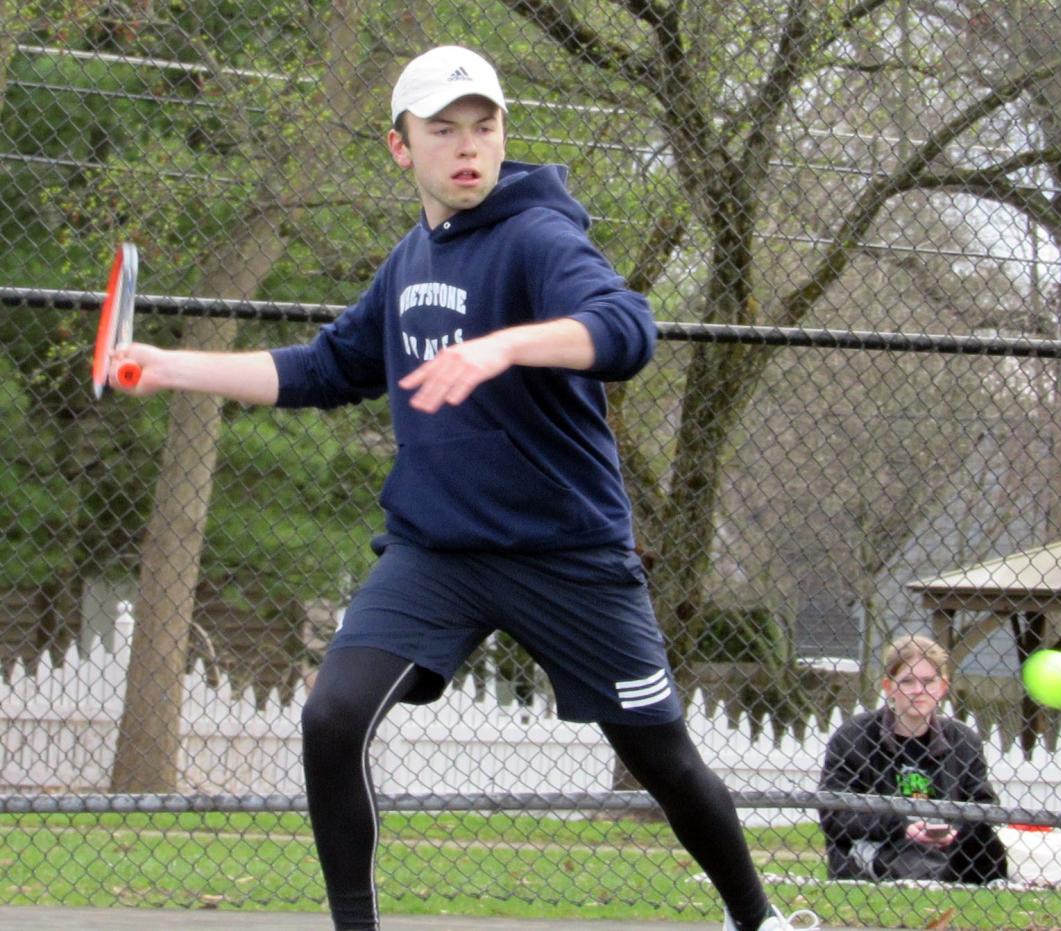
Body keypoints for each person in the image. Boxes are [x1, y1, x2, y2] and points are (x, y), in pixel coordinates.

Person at [109, 45, 819, 931]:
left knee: (664, 756)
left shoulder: (539, 236)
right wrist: (169, 365)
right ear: (400, 148)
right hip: (437, 553)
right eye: (443, 130)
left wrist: (502, 345)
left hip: (567, 555)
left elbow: (626, 330)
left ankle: (760, 920)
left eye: (484, 127)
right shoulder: (410, 260)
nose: (468, 146)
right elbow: (327, 367)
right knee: (332, 717)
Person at [817, 635, 1008, 885]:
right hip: (883, 845)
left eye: (928, 681)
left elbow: (984, 803)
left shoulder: (963, 740)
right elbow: (834, 815)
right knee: (912, 855)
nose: (918, 690)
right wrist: (902, 826)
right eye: (907, 681)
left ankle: (954, 877)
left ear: (943, 687)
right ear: (889, 686)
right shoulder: (854, 736)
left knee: (988, 845)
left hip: (948, 847)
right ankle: (941, 879)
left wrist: (953, 831)